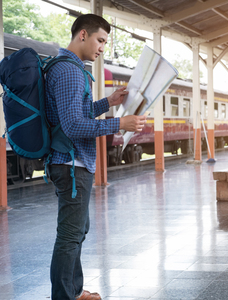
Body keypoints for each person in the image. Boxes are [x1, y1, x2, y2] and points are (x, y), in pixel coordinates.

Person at [45, 14, 146, 300]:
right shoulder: (69, 71)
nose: (102, 47)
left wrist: (107, 103)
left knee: (78, 229)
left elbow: (75, 112)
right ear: (83, 35)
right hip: (71, 162)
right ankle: (66, 296)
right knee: (69, 235)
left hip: (72, 161)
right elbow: (73, 125)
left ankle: (73, 291)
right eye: (100, 40)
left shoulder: (72, 68)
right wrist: (119, 124)